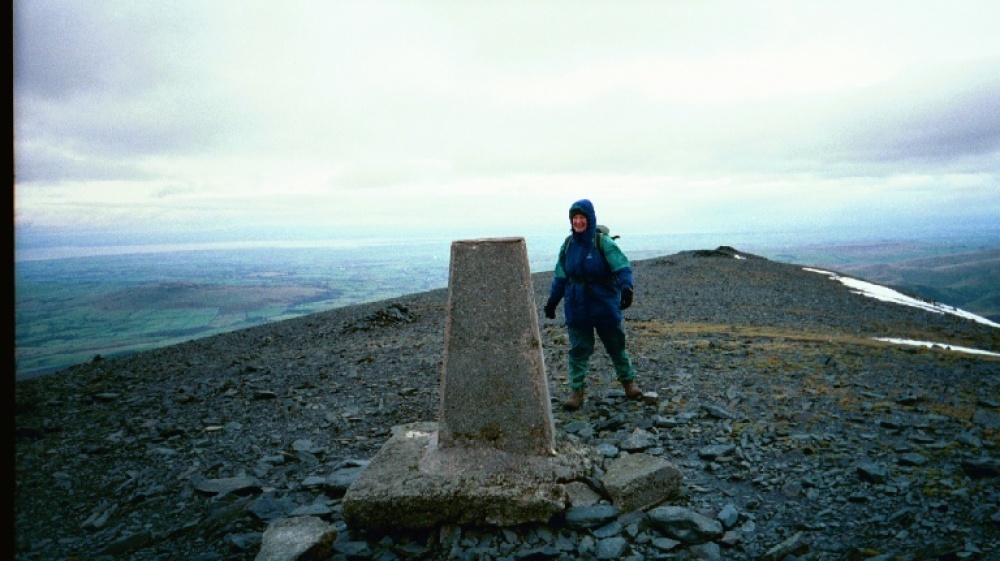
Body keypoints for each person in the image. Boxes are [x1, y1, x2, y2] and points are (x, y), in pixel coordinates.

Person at [544, 199, 642, 410]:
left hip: (603, 304)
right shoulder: (568, 245)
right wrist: (552, 302)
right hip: (577, 306)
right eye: (575, 218)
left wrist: (627, 288)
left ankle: (629, 383)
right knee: (579, 349)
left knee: (616, 345)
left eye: (582, 218)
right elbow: (561, 276)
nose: (578, 222)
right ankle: (576, 392)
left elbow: (622, 266)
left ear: (590, 219)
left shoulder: (603, 243)